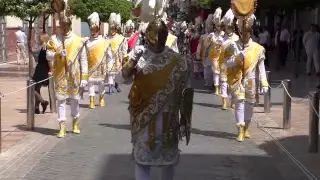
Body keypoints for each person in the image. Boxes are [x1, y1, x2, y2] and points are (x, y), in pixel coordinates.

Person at [122, 2, 193, 180]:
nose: (157, 40)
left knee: (167, 162)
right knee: (142, 161)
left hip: (168, 120)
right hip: (143, 118)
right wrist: (133, 58)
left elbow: (187, 92)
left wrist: (185, 119)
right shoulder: (140, 55)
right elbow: (124, 77)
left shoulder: (177, 60)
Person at [46, 5, 88, 138]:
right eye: (61, 26)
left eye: (65, 26)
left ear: (69, 25)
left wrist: (84, 78)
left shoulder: (78, 40)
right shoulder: (54, 40)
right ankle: (62, 127)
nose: (63, 29)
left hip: (74, 75)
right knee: (61, 101)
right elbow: (48, 55)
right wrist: (57, 53)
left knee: (75, 100)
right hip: (60, 75)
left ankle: (75, 123)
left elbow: (84, 60)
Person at [225, 14, 268, 142]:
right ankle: (240, 129)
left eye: (247, 33)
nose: (244, 36)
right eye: (242, 33)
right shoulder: (233, 46)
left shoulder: (258, 48)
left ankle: (246, 127)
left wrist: (264, 83)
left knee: (249, 105)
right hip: (237, 79)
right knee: (239, 103)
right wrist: (238, 58)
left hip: (251, 81)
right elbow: (227, 63)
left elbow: (261, 68)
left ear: (251, 33)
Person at [86, 12, 110, 109]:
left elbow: (109, 56)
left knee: (101, 83)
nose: (93, 31)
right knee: (90, 83)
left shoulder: (104, 41)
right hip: (90, 66)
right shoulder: (87, 41)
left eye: (95, 29)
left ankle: (101, 98)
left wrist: (109, 65)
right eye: (92, 29)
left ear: (98, 29)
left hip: (101, 66)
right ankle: (91, 100)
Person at [219, 9, 239, 110]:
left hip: (233, 63)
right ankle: (224, 102)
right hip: (223, 63)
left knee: (233, 83)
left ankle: (233, 101)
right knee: (223, 82)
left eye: (230, 27)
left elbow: (238, 52)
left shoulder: (236, 38)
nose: (228, 29)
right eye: (227, 27)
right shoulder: (221, 38)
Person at [105, 13, 128, 94]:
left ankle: (116, 85)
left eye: (113, 29)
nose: (112, 31)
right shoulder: (107, 38)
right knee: (110, 72)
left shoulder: (121, 38)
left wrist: (125, 57)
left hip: (118, 57)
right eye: (111, 29)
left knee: (118, 72)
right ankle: (110, 87)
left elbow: (124, 49)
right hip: (109, 57)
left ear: (116, 29)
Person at [32, 33, 50, 114]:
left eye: (40, 38)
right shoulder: (45, 47)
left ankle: (43, 102)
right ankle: (36, 107)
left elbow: (48, 60)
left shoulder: (44, 48)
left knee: (32, 88)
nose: (39, 40)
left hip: (40, 70)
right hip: (43, 69)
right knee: (37, 88)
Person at [209, 7, 224, 95]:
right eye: (217, 26)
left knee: (222, 71)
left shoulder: (224, 35)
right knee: (215, 72)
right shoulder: (212, 35)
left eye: (220, 26)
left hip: (222, 55)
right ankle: (216, 88)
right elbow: (207, 44)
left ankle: (223, 87)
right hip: (214, 55)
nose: (218, 27)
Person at [196, 16, 211, 86]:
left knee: (211, 70)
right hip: (205, 55)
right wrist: (198, 54)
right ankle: (207, 81)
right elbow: (199, 46)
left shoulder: (216, 36)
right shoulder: (203, 36)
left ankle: (212, 82)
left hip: (213, 56)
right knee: (206, 69)